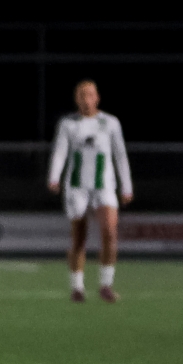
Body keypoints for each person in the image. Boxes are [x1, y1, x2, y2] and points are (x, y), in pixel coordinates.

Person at [46, 79, 133, 302]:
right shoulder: (68, 124)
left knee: (110, 233)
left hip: (104, 187)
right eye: (82, 95)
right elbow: (60, 152)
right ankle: (77, 287)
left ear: (97, 98)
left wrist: (127, 185)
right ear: (76, 99)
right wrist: (54, 177)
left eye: (90, 95)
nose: (86, 100)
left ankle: (106, 285)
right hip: (77, 188)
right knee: (79, 238)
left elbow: (120, 154)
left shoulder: (110, 122)